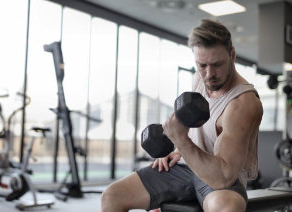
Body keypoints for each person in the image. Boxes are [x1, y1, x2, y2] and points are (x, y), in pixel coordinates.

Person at [101, 19, 263, 212]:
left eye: (217, 64)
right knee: (112, 195)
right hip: (184, 167)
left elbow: (224, 176)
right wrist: (176, 151)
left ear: (232, 55)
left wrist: (180, 140)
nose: (209, 74)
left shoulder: (242, 104)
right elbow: (197, 129)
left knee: (228, 207)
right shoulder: (200, 79)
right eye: (202, 65)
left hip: (217, 177)